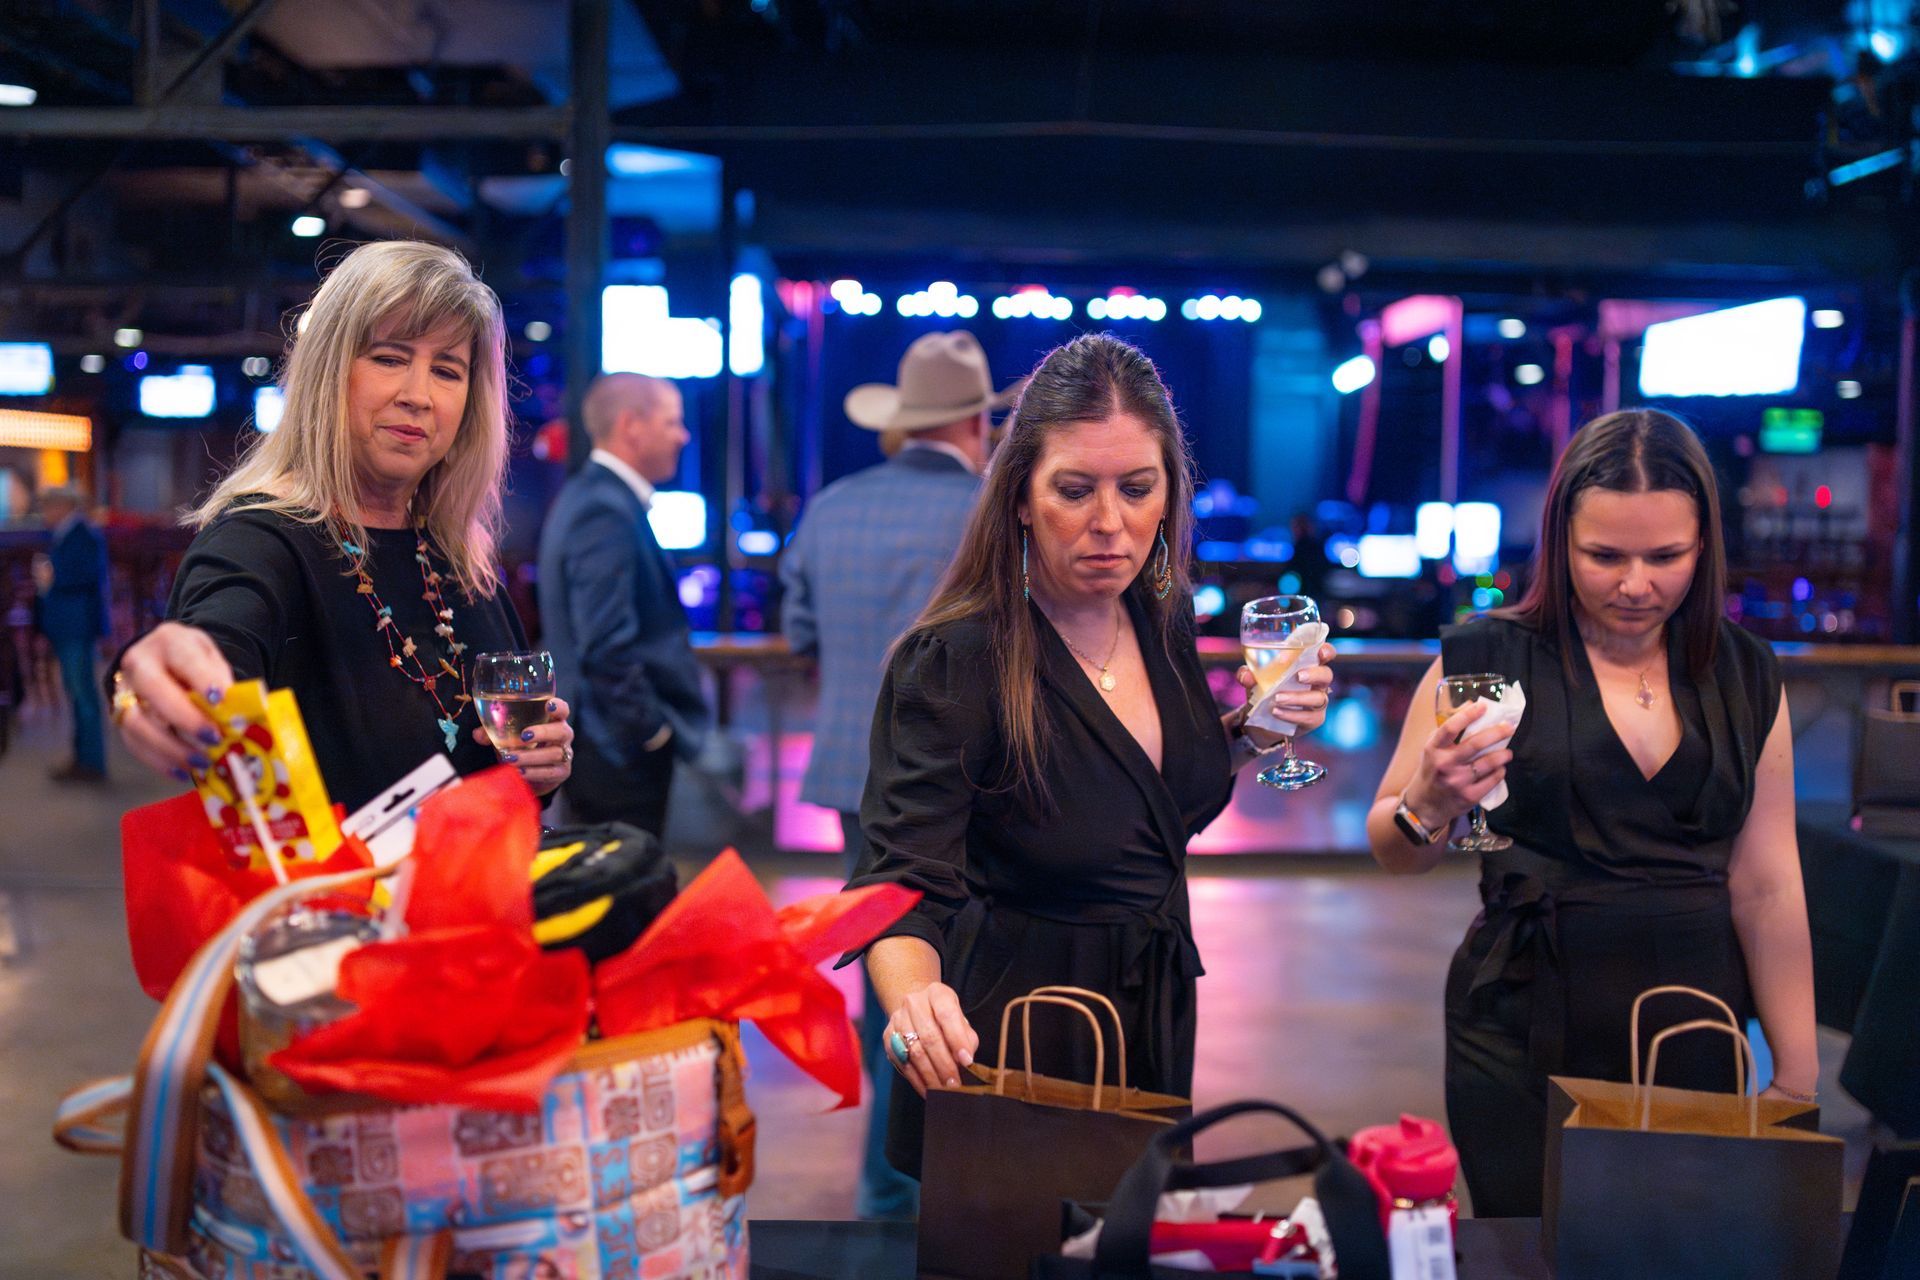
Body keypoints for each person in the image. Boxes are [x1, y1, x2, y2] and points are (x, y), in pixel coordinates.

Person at [843, 333, 1337, 1176]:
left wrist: (1252, 731)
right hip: (1021, 1024)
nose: (1111, 523)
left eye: (1137, 489)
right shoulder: (960, 657)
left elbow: (1145, 804)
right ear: (1023, 499)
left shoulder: (1158, 618)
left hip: (1149, 1009)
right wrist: (916, 1000)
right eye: (1076, 490)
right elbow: (900, 884)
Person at [1365, 409, 1817, 1217]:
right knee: (1530, 1249)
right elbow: (1396, 846)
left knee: (1684, 1251)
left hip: (1695, 1021)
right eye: (1603, 556)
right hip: (1521, 1022)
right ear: (1559, 541)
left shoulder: (1746, 673)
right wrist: (1430, 801)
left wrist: (1797, 1070)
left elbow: (1769, 884)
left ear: (1704, 546)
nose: (1635, 584)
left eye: (1666, 556)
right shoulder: (1486, 655)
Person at [110, 240, 573, 812]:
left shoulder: (458, 558)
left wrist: (539, 767)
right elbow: (212, 644)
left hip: (477, 894)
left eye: (447, 371)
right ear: (329, 374)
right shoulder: (259, 541)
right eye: (388, 358)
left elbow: (503, 771)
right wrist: (151, 675)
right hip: (336, 901)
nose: (418, 396)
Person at [780, 330, 1014, 1218]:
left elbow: (801, 634)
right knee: (970, 973)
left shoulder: (831, 506)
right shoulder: (994, 512)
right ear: (974, 421)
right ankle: (960, 1186)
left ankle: (890, 1185)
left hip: (850, 775)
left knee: (888, 968)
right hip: (973, 781)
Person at [538, 373, 715, 840]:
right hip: (616, 753)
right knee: (624, 899)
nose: (684, 435)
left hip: (606, 745)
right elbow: (605, 646)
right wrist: (651, 733)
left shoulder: (597, 497)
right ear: (631, 425)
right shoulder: (604, 508)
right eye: (673, 422)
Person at [35, 485, 111, 782]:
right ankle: (83, 759)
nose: (44, 515)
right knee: (78, 693)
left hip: (77, 624)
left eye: (47, 508)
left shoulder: (82, 533)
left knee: (82, 693)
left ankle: (91, 763)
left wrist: (51, 576)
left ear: (61, 507)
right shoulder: (74, 532)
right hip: (71, 623)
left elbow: (85, 577)